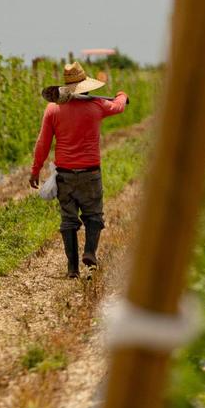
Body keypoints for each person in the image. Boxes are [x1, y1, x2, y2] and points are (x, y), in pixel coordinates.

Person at [31, 62, 129, 278]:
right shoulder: (97, 106)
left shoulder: (53, 109)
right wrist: (122, 95)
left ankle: (72, 269)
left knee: (68, 220)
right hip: (91, 173)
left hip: (64, 175)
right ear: (86, 85)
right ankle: (90, 253)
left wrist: (35, 169)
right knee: (94, 215)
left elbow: (43, 143)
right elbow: (119, 106)